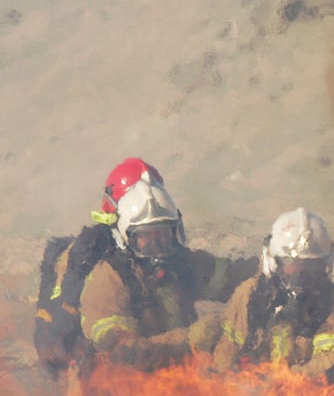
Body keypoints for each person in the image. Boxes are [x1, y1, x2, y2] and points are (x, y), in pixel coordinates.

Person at [75, 157, 258, 373]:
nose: (157, 244)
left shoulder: (181, 263)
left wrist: (284, 261)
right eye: (146, 237)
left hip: (182, 375)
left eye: (163, 233)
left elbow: (234, 276)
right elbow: (126, 352)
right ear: (126, 238)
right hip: (127, 388)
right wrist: (190, 338)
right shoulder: (109, 278)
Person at [212, 207, 334, 396]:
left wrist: (280, 383)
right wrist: (227, 385)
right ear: (274, 261)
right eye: (293, 265)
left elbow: (331, 362)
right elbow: (228, 347)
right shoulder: (249, 295)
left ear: (325, 264)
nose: (301, 275)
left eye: (311, 266)